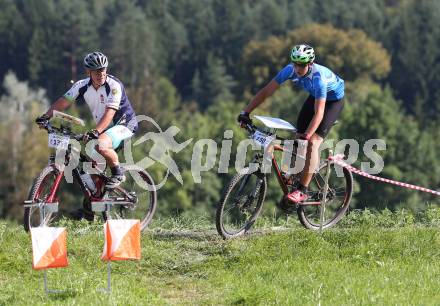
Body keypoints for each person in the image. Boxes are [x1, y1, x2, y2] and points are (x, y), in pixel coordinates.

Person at [237, 44, 344, 203]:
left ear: (310, 63)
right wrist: (246, 112)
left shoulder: (318, 78)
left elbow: (319, 112)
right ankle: (296, 175)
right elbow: (267, 91)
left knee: (312, 143)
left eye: (301, 65)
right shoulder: (289, 70)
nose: (297, 68)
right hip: (314, 97)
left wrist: (308, 135)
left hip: (332, 102)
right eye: (295, 63)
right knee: (298, 137)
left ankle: (303, 190)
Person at [36, 51, 138, 190]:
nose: (101, 73)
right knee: (92, 172)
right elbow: (64, 101)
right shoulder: (82, 85)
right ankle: (90, 209)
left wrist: (96, 131)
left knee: (101, 144)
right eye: (96, 71)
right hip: (104, 128)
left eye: (103, 69)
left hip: (125, 124)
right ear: (88, 71)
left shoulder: (114, 86)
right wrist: (46, 117)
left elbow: (110, 113)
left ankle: (118, 173)